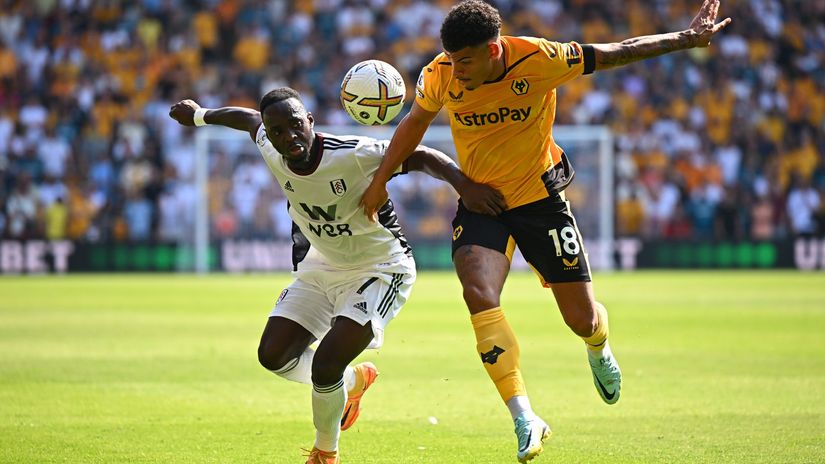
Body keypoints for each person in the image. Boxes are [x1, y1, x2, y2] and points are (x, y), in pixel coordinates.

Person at [359, 1, 731, 462]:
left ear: (494, 49)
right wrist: (381, 183)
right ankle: (524, 417)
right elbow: (414, 124)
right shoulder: (439, 75)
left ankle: (598, 345)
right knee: (477, 291)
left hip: (540, 203)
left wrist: (685, 39)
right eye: (452, 59)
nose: (457, 70)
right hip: (482, 202)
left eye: (465, 61)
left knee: (581, 320)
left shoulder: (540, 58)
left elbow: (619, 50)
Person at [169, 88, 501, 464]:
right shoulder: (268, 144)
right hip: (322, 265)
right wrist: (200, 115)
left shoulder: (352, 154)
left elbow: (420, 155)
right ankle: (354, 383)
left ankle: (325, 452)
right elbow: (247, 119)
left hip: (380, 267)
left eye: (296, 125)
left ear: (310, 121)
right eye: (277, 131)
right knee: (273, 355)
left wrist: (465, 187)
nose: (288, 136)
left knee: (327, 364)